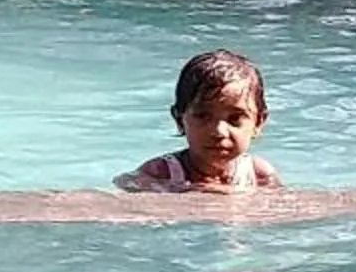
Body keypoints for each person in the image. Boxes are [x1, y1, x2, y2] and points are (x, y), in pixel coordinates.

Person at [120, 50, 282, 193]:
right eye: (203, 116)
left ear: (258, 123)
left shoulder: (258, 174)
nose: (218, 132)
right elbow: (125, 189)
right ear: (179, 120)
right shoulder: (160, 173)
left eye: (235, 118)